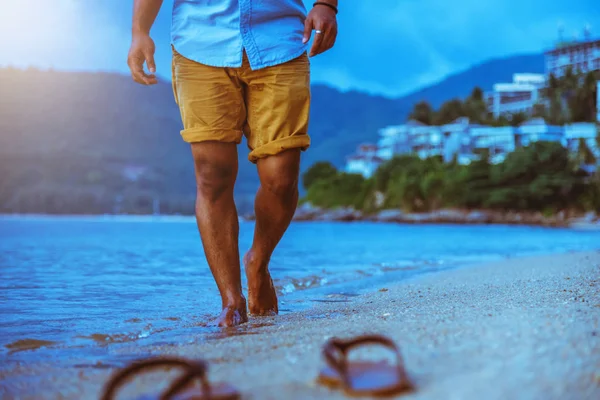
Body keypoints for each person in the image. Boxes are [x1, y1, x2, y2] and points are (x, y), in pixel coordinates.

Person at [127, 0, 338, 327]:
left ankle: (258, 261)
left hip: (279, 38)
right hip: (199, 43)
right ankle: (231, 300)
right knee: (212, 176)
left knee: (281, 179)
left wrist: (326, 4)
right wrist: (140, 30)